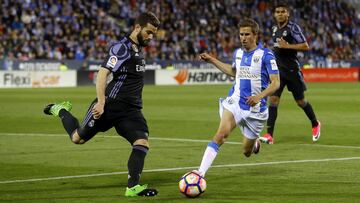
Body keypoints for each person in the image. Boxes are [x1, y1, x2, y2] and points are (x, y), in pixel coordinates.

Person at [43, 12, 160, 197]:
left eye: (153, 34)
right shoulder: (121, 48)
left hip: (131, 111)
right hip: (110, 105)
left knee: (142, 142)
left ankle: (132, 188)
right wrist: (101, 102)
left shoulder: (138, 49)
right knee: (77, 138)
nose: (151, 37)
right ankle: (61, 110)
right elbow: (102, 74)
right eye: (149, 32)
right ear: (137, 27)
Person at [195, 18, 280, 177]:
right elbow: (234, 72)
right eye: (241, 34)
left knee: (246, 152)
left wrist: (259, 96)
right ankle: (200, 173)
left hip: (256, 109)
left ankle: (254, 144)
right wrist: (212, 60)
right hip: (235, 102)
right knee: (221, 135)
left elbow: (276, 83)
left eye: (247, 34)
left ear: (255, 35)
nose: (243, 38)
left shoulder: (266, 55)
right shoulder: (238, 53)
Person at [259, 2, 321, 145]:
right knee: (273, 100)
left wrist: (288, 46)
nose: (280, 14)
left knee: (300, 102)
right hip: (278, 72)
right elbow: (277, 47)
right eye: (278, 12)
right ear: (274, 14)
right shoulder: (274, 29)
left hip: (292, 70)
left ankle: (315, 123)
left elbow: (305, 45)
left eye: (283, 11)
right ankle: (269, 135)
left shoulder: (293, 28)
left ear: (288, 14)